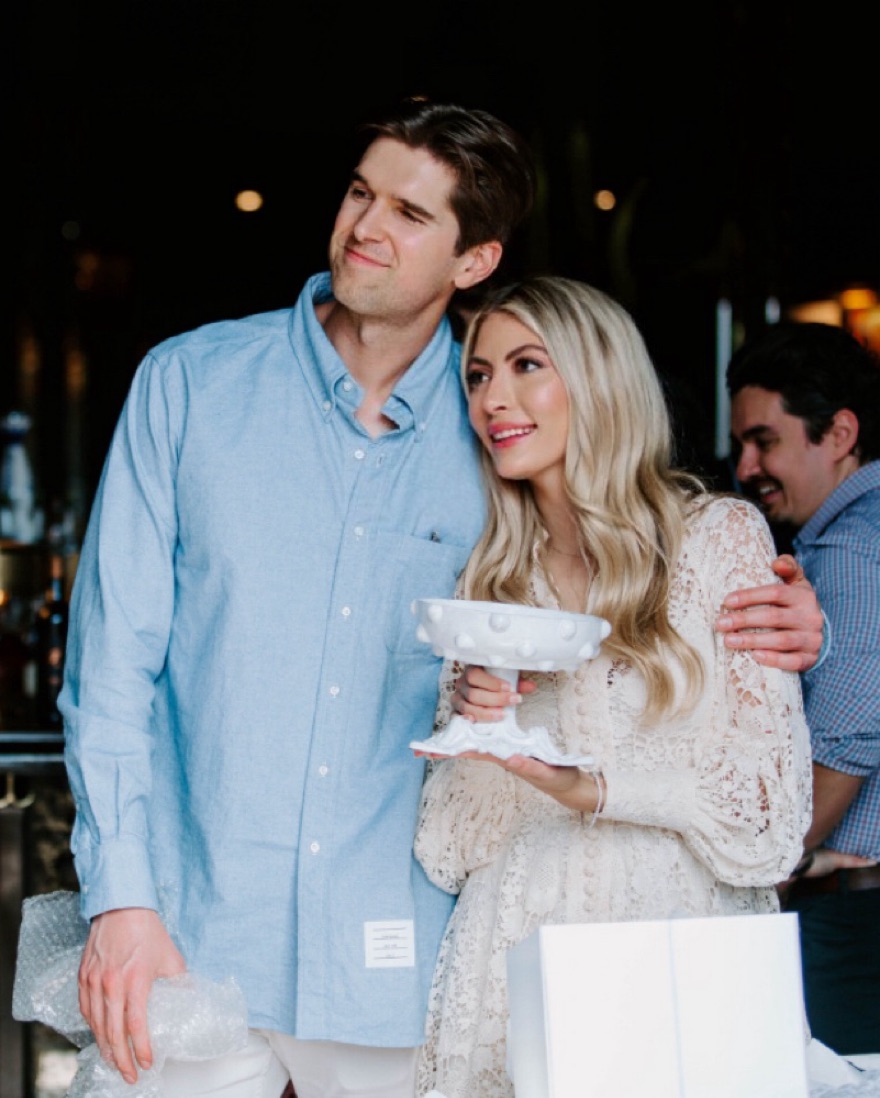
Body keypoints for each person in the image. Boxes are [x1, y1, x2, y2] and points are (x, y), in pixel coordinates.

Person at [58, 99, 823, 1098]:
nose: (365, 227)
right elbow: (109, 671)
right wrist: (120, 898)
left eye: (410, 214)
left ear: (473, 259)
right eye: (360, 193)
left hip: (404, 967)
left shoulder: (501, 433)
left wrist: (775, 615)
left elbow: (621, 557)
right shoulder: (190, 386)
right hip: (191, 937)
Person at [412, 276, 813, 1098]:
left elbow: (769, 817)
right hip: (510, 958)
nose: (493, 398)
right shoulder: (489, 584)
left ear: (599, 376)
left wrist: (590, 787)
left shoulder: (718, 539)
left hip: (678, 946)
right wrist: (482, 727)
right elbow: (448, 848)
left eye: (526, 365)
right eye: (479, 376)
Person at [727, 320, 880, 1056]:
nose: (745, 466)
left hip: (851, 919)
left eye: (765, 441)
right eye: (741, 445)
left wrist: (776, 863)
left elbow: (850, 734)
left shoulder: (851, 547)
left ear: (840, 433)